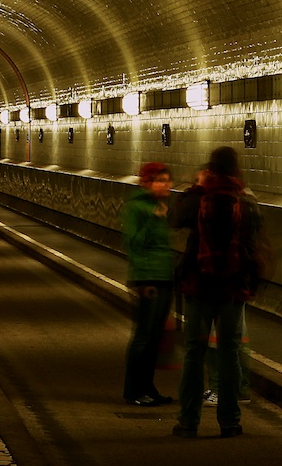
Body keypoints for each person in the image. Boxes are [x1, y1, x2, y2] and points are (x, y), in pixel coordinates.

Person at [172, 146, 262, 438]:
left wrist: (197, 186)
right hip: (233, 290)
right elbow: (253, 240)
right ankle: (230, 422)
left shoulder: (199, 198)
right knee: (229, 354)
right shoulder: (246, 201)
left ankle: (188, 422)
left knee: (193, 355)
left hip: (198, 288)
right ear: (236, 170)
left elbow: (173, 217)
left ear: (209, 169)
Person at [121, 162, 176, 406]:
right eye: (160, 180)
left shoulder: (159, 206)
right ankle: (134, 390)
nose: (167, 185)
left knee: (154, 337)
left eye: (168, 180)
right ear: (147, 182)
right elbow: (134, 243)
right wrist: (142, 281)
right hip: (149, 278)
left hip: (164, 277)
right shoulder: (138, 207)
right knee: (143, 336)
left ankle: (148, 387)